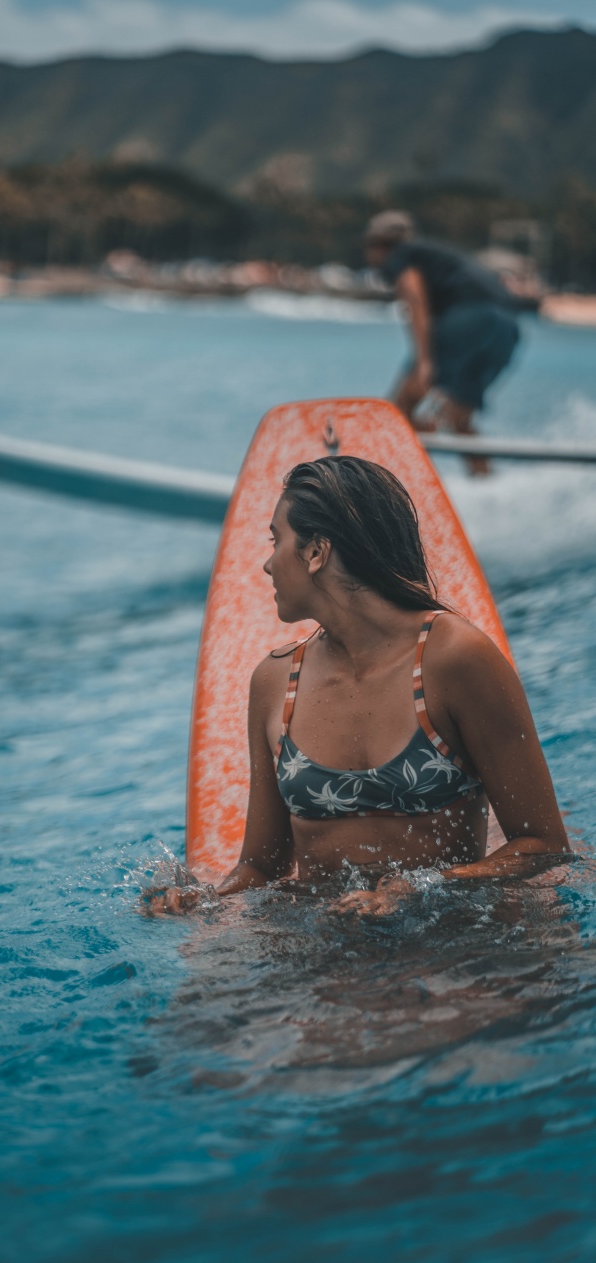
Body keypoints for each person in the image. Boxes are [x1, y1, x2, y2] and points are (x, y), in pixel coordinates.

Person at [151, 456, 569, 916]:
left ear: (316, 553)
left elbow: (544, 845)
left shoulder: (454, 658)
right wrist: (208, 899)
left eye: (276, 541)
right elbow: (260, 866)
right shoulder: (274, 682)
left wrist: (419, 890)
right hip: (322, 948)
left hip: (451, 941)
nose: (268, 565)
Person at [364, 211, 522, 475]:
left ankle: (376, 488)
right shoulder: (432, 255)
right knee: (459, 416)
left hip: (471, 317)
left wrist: (424, 359)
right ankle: (486, 482)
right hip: (508, 326)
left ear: (376, 245)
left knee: (400, 408)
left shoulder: (399, 255)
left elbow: (414, 295)